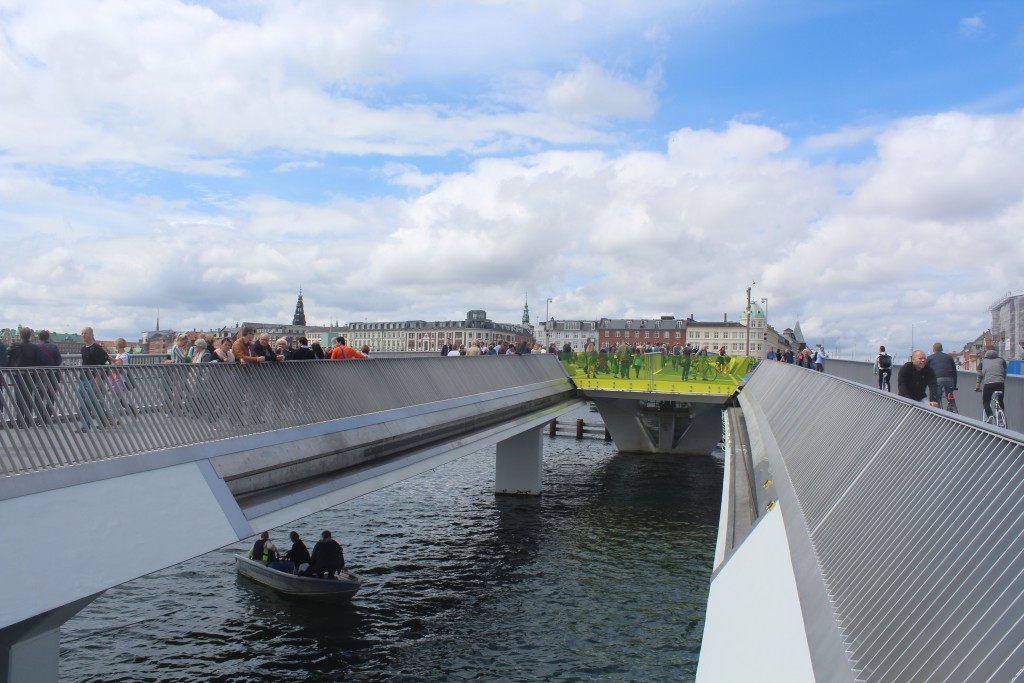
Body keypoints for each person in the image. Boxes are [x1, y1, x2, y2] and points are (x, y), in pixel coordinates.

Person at [975, 346, 1007, 420]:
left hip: (988, 383)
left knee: (986, 401)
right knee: (1000, 400)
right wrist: (1002, 379)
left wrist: (977, 385)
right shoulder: (1001, 360)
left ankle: (990, 415)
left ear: (986, 352)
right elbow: (1004, 372)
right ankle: (1001, 418)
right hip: (1000, 383)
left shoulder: (983, 361)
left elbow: (979, 375)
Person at [926, 342, 958, 409]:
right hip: (950, 378)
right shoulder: (949, 357)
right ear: (942, 349)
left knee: (936, 398)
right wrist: (954, 385)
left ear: (933, 349)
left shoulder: (929, 358)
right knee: (950, 396)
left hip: (937, 379)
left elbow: (926, 371)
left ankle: (938, 414)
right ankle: (953, 409)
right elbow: (954, 371)